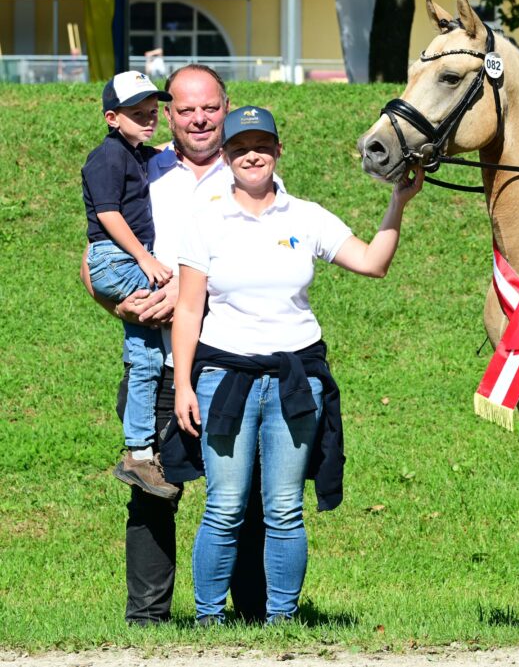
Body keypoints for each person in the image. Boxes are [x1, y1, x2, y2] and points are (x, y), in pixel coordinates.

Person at [171, 106, 423, 625]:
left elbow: (373, 263)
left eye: (261, 145)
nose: (252, 156)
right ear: (225, 156)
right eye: (240, 148)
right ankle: (206, 622)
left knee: (285, 510)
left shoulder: (305, 217)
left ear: (278, 150)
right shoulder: (206, 219)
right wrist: (182, 385)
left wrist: (398, 201)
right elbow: (190, 307)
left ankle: (282, 621)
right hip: (224, 380)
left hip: (294, 382)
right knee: (224, 508)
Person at [82, 63, 267, 624]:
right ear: (168, 114)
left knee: (245, 493)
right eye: (186, 109)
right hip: (159, 362)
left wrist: (190, 299)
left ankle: (252, 613)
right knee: (151, 492)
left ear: (226, 105)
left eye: (210, 107)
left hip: (231, 358)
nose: (199, 119)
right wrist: (123, 302)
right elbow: (93, 263)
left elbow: (267, 267)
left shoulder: (252, 175)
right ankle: (147, 620)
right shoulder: (144, 167)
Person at [82, 70, 178, 499]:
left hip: (125, 258)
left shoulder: (134, 153)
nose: (148, 119)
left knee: (146, 357)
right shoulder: (107, 157)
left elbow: (159, 152)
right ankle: (139, 451)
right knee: (177, 305)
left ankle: (139, 452)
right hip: (116, 258)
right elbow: (108, 215)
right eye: (136, 114)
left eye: (152, 112)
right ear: (111, 118)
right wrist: (145, 258)